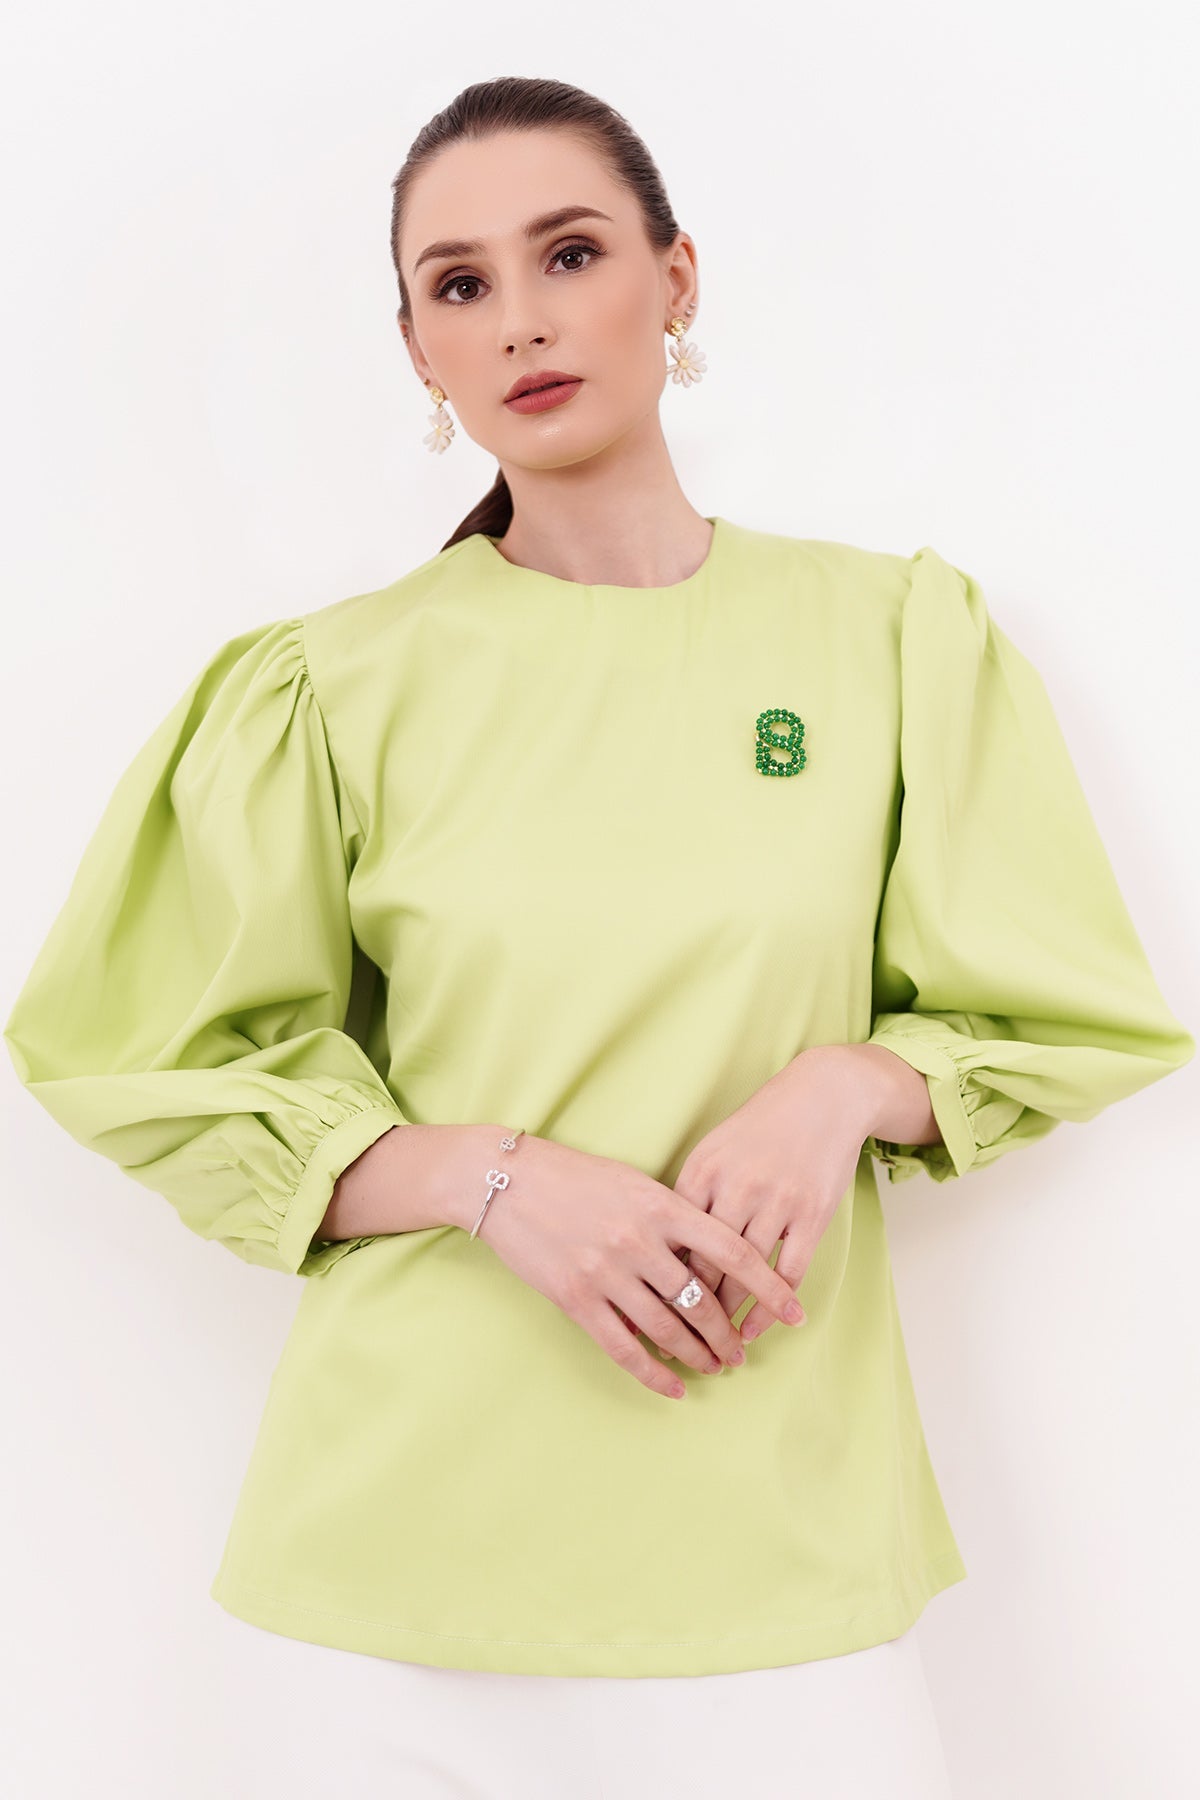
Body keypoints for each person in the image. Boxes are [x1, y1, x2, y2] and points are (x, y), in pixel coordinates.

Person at [5, 74, 1194, 1800]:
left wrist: (843, 1087)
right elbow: (137, 1056)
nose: (521, 319)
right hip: (391, 1579)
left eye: (569, 253)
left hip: (777, 1539)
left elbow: (1056, 1010)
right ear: (417, 351)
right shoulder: (328, 684)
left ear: (676, 277)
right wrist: (495, 1180)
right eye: (460, 284)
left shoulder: (893, 641)